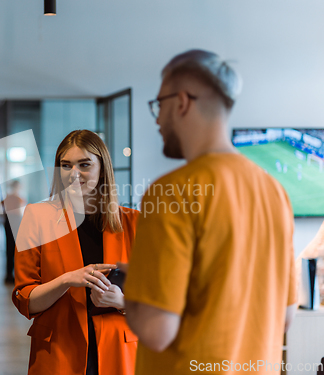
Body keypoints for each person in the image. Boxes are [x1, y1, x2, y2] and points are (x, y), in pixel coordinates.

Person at [123, 49, 297, 375]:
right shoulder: (276, 192)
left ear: (182, 102)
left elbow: (155, 331)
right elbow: (285, 316)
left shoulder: (170, 191)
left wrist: (134, 287)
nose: (158, 119)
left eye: (158, 105)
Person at [12, 130, 139, 375]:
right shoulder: (37, 218)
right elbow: (24, 299)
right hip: (59, 352)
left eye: (84, 165)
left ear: (102, 168)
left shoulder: (134, 222)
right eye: (66, 165)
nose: (74, 174)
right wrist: (66, 280)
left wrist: (122, 302)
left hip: (119, 353)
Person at [0, 180, 26, 284]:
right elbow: (19, 211)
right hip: (14, 222)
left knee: (11, 248)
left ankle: (10, 273)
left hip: (9, 222)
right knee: (13, 249)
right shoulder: (17, 198)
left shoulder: (8, 198)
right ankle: (12, 274)